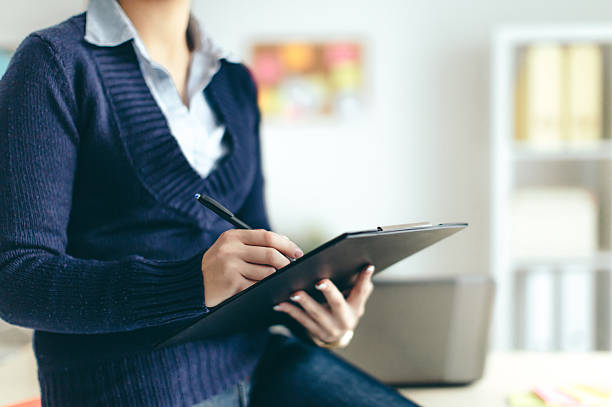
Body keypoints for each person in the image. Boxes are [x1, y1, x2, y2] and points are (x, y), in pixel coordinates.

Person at [0, 0, 420, 406]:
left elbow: (261, 258)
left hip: (256, 360)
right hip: (129, 383)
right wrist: (189, 284)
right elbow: (15, 278)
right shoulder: (52, 63)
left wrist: (320, 320)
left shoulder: (234, 80)